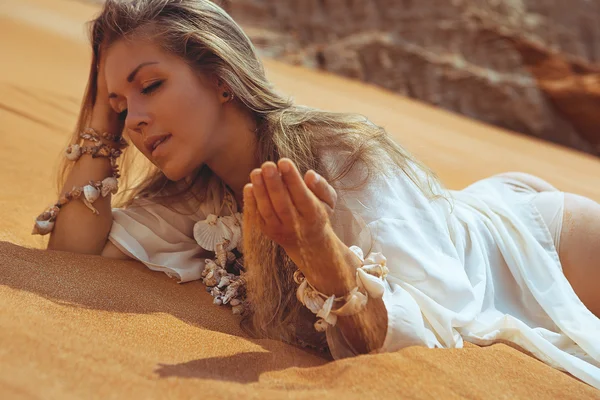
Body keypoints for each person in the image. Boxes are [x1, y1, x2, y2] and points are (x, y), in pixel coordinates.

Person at [33, 0, 599, 389]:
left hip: (540, 247)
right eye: (120, 104)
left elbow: (431, 332)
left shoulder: (344, 157)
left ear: (221, 75)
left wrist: (325, 260)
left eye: (150, 85)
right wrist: (99, 119)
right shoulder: (195, 195)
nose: (134, 118)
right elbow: (75, 256)